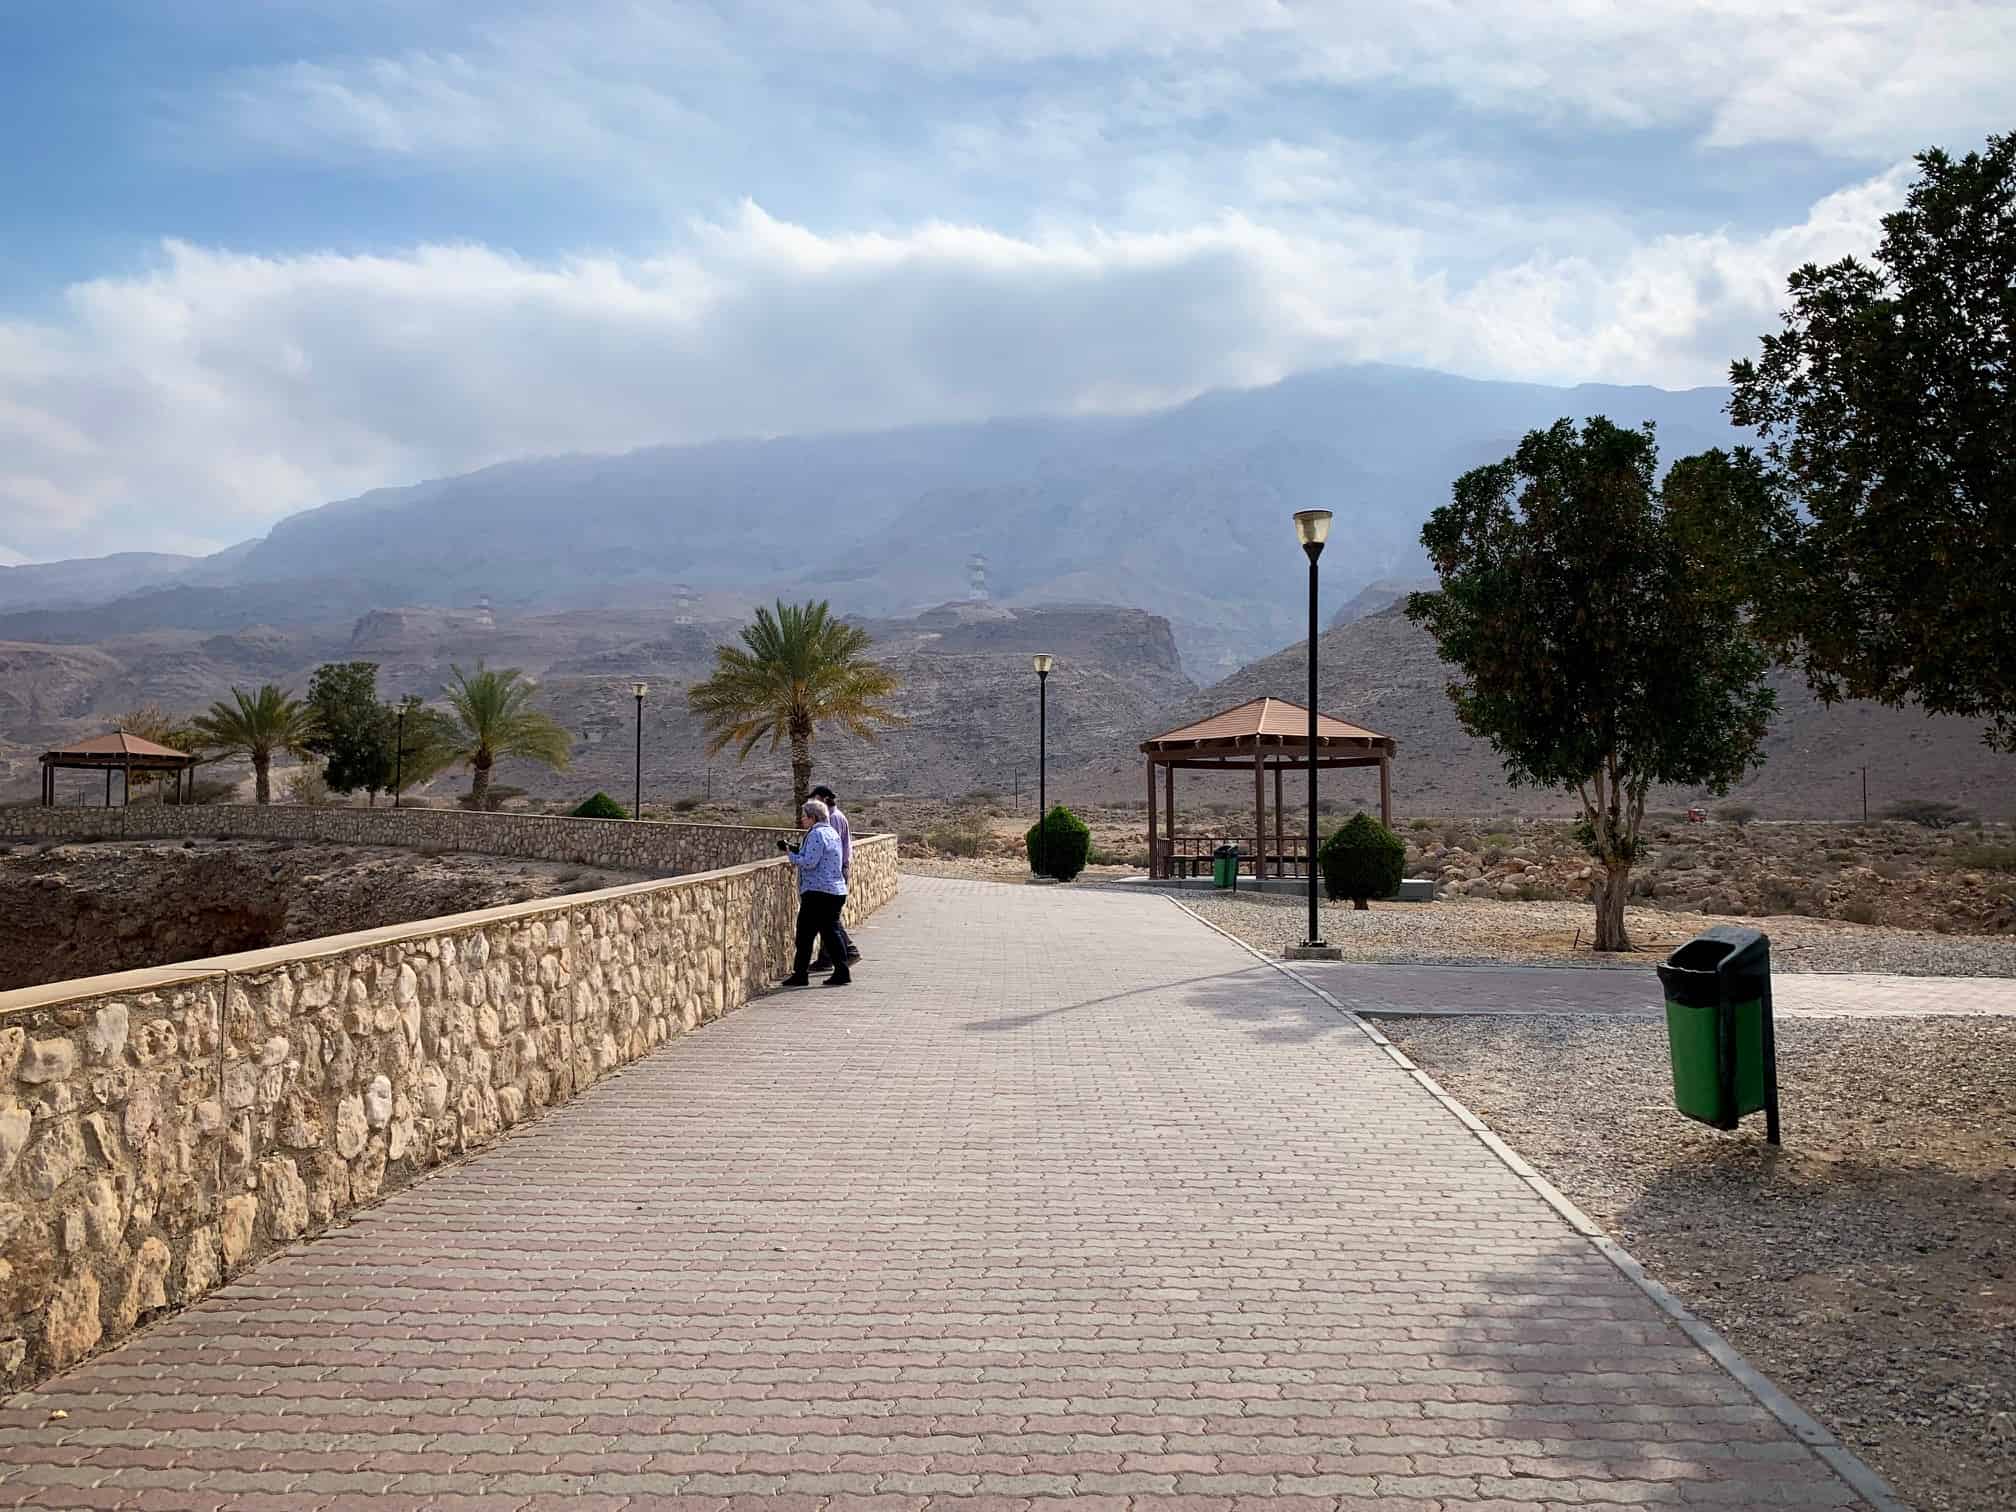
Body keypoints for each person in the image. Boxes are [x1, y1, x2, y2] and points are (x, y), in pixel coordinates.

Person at [780, 798, 850, 987]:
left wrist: (791, 855)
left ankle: (801, 974)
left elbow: (810, 862)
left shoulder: (816, 834)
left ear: (812, 817)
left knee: (805, 935)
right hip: (835, 890)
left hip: (818, 892)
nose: (802, 820)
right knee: (831, 933)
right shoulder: (832, 833)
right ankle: (842, 971)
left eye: (804, 816)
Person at [808, 784, 862, 970]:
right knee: (828, 918)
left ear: (824, 799)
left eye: (814, 799)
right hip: (833, 874)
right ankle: (826, 957)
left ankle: (848, 950)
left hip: (833, 874)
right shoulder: (834, 817)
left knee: (829, 918)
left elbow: (832, 849)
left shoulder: (833, 819)